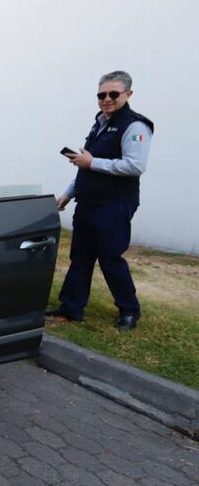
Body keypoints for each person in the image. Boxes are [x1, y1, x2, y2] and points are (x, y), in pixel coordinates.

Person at [46, 70, 153, 331]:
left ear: (128, 94)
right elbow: (85, 166)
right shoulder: (100, 123)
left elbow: (135, 166)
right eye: (102, 94)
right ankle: (71, 308)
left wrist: (92, 162)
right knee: (80, 256)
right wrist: (68, 194)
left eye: (113, 94)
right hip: (88, 201)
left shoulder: (136, 126)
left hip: (115, 204)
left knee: (110, 257)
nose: (107, 99)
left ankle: (129, 310)